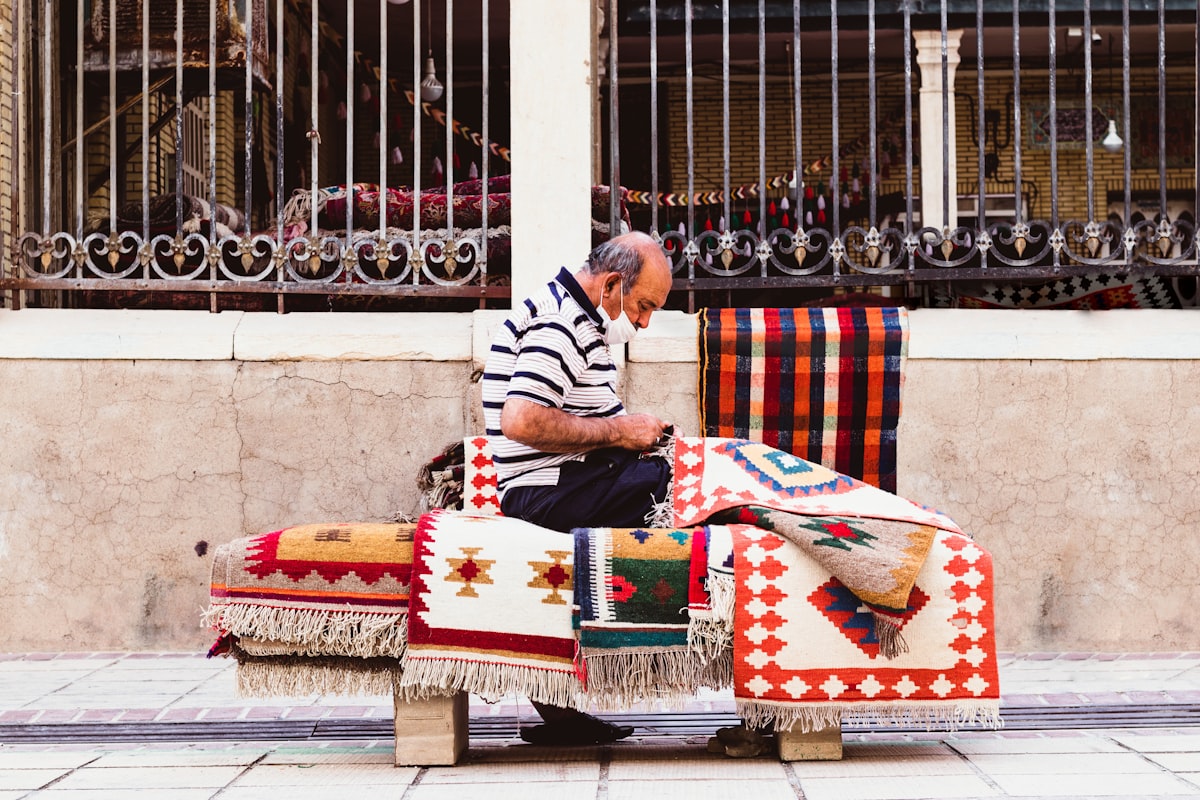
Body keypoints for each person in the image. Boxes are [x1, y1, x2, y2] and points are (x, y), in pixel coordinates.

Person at [480, 230, 674, 745]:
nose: (644, 322)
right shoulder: (563, 323)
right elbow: (521, 420)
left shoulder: (576, 317)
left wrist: (628, 432)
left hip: (568, 480)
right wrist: (620, 431)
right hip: (547, 491)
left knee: (683, 471)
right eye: (644, 306)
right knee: (688, 484)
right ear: (612, 285)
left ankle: (567, 707)